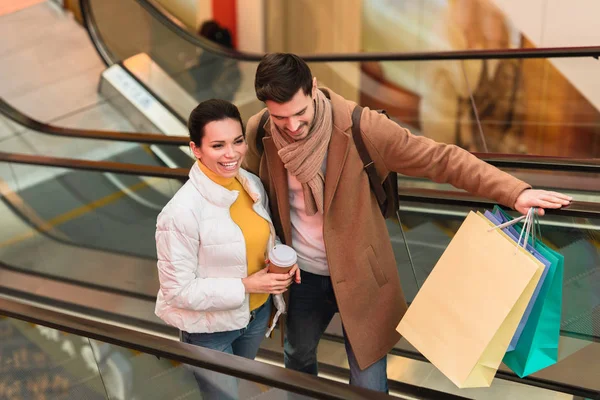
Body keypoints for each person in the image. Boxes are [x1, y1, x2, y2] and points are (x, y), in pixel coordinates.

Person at [242, 53, 572, 393]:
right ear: (267, 109)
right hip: (301, 276)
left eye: (300, 113)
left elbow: (439, 159)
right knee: (297, 360)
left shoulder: (361, 126)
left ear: (312, 89)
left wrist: (512, 191)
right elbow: (251, 192)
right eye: (282, 118)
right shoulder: (260, 131)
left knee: (368, 381)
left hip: (362, 275)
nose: (293, 127)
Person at [155, 99, 300, 398]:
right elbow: (177, 291)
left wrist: (282, 258)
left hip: (256, 315)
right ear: (196, 149)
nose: (231, 154)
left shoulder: (250, 185)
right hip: (210, 332)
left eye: (237, 141)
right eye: (218, 145)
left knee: (238, 385)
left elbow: (263, 237)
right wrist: (247, 284)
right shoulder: (179, 213)